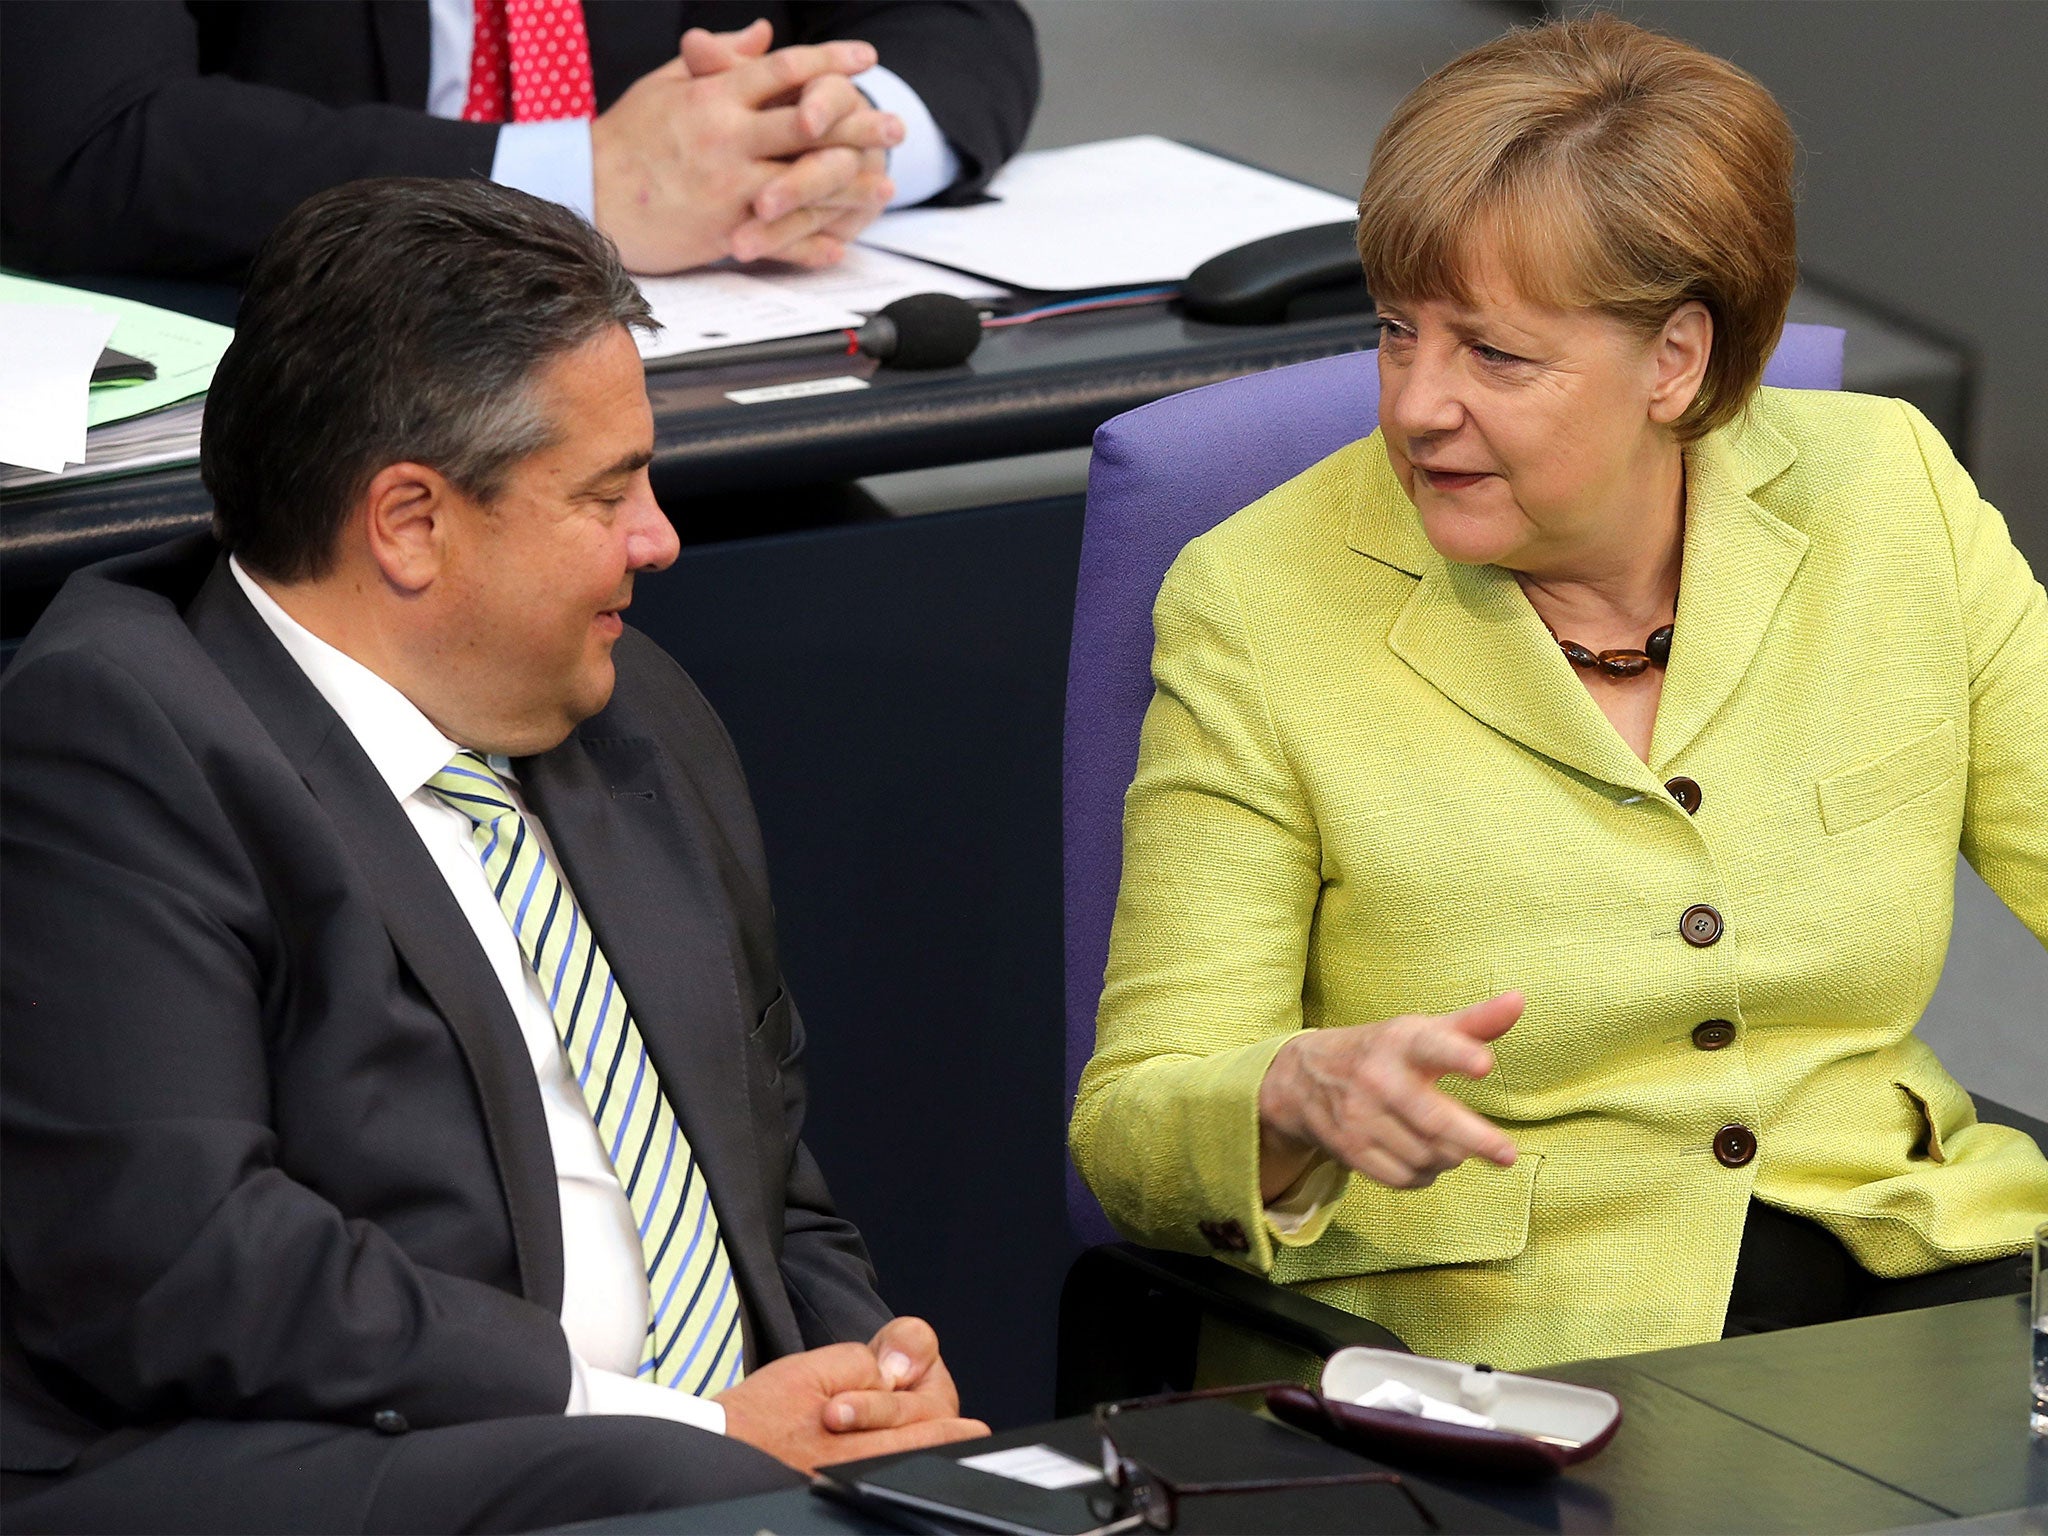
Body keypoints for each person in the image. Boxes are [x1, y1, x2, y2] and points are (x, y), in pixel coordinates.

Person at [0, 178, 988, 1534]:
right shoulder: (119, 741)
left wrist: (864, 1383)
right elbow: (185, 1266)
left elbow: (772, 1187)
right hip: (295, 1454)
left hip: (692, 1451)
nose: (661, 537)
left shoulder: (636, 713)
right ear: (411, 522)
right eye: (607, 491)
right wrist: (689, 1427)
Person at [1069, 14, 2048, 1372]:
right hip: (1529, 1360)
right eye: (1398, 334)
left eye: (1495, 356)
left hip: (1909, 1275)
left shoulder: (1891, 493)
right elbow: (1136, 1121)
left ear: (1677, 361)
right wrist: (1293, 1098)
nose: (1416, 405)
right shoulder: (1257, 601)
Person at [0, 0, 1038, 279]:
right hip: (284, 477)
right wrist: (581, 183)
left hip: (700, 419)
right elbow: (93, 141)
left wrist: (824, 148)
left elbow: (958, 22)